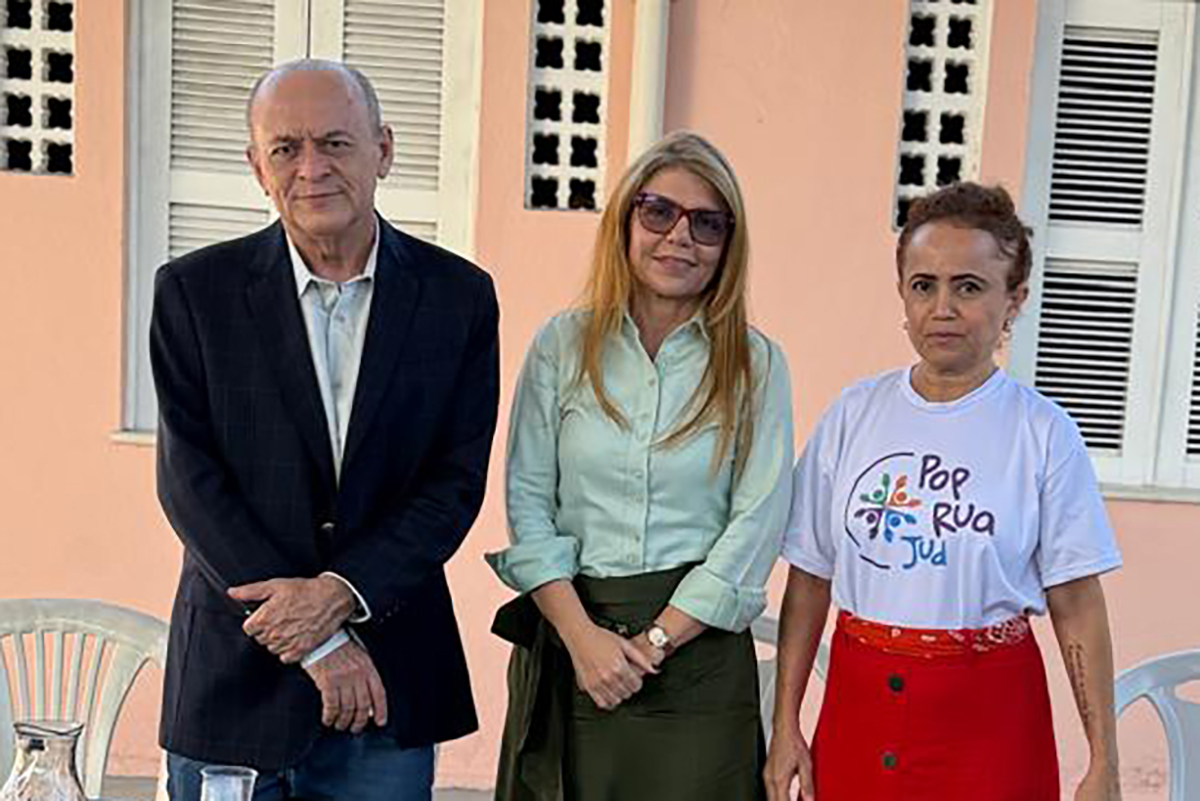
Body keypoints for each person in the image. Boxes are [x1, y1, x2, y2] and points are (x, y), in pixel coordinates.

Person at [150, 59, 499, 801]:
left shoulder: (459, 298)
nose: (311, 168)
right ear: (256, 166)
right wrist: (314, 634)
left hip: (386, 679)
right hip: (231, 682)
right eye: (286, 148)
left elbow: (453, 482)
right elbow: (191, 485)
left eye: (336, 144)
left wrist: (344, 593)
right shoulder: (192, 293)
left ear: (384, 149)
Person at [765, 182, 1123, 801]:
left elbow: (1077, 603)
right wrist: (785, 725)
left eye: (970, 286)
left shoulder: (1041, 432)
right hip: (860, 713)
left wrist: (1104, 762)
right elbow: (809, 580)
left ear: (1015, 300)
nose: (943, 308)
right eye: (923, 285)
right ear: (903, 295)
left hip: (992, 723)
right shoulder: (854, 415)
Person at [486, 131, 794, 801]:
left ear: (728, 245)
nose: (680, 237)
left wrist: (654, 641)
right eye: (659, 212)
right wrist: (583, 639)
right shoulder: (561, 345)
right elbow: (529, 503)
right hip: (576, 648)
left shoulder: (756, 363)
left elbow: (756, 525)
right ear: (626, 219)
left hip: (698, 665)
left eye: (707, 223)